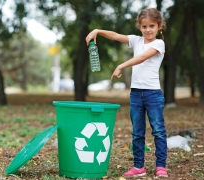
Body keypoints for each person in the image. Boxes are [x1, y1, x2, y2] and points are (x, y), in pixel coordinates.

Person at [85, 8, 168, 177]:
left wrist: (121, 65)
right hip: (136, 94)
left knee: (158, 130)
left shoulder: (159, 44)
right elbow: (115, 35)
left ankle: (161, 166)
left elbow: (143, 57)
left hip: (153, 94)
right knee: (137, 132)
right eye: (144, 26)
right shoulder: (136, 41)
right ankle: (139, 167)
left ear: (159, 26)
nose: (148, 30)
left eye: (152, 26)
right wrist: (97, 31)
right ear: (140, 27)